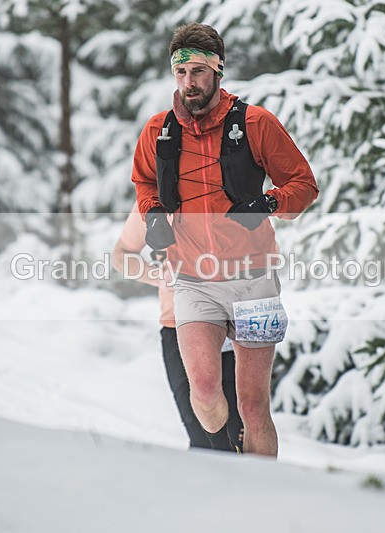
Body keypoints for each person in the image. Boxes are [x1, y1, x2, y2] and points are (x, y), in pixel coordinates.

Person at [131, 23, 318, 457]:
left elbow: (303, 185)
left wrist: (267, 204)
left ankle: (259, 494)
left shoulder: (255, 123)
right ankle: (229, 459)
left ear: (218, 70)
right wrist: (153, 213)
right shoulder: (159, 131)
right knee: (204, 390)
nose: (188, 82)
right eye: (180, 73)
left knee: (253, 406)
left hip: (253, 280)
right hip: (193, 281)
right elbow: (144, 183)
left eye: (197, 71)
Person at [111, 203, 244, 452]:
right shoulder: (152, 201)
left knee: (239, 436)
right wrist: (158, 276)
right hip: (176, 327)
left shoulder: (225, 188)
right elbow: (121, 254)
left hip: (231, 326)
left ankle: (256, 488)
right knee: (201, 437)